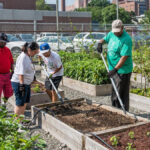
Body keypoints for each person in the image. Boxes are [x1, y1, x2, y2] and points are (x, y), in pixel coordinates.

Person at [98, 20, 133, 111]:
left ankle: (123, 113)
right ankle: (115, 110)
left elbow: (124, 57)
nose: (116, 33)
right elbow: (105, 39)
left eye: (118, 31)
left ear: (122, 28)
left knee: (120, 93)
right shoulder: (112, 33)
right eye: (115, 32)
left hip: (122, 70)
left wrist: (115, 69)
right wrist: (100, 43)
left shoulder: (127, 39)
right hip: (113, 68)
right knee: (115, 92)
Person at [11, 42, 39, 117]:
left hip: (26, 83)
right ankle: (17, 124)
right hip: (19, 83)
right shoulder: (23, 57)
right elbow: (21, 72)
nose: (35, 54)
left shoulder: (27, 56)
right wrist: (21, 85)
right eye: (34, 52)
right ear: (29, 49)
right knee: (20, 103)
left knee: (25, 102)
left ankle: (20, 120)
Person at [0, 33, 14, 107]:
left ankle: (4, 104)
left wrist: (13, 71)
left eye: (4, 42)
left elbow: (11, 61)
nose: (4, 43)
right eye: (2, 41)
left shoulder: (7, 50)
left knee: (8, 92)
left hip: (7, 74)